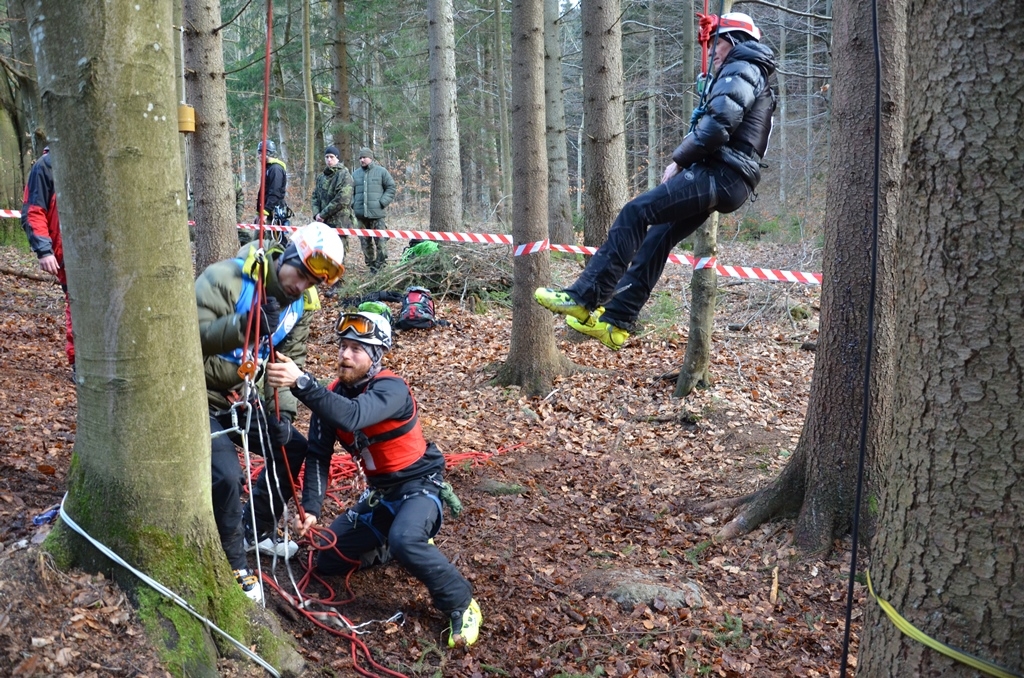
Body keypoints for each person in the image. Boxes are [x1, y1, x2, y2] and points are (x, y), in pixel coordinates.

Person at [535, 12, 776, 350]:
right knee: (657, 237)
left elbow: (720, 124)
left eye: (717, 44)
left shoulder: (742, 68)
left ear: (734, 40)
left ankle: (584, 297)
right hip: (730, 181)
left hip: (720, 174)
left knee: (636, 212)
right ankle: (616, 321)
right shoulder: (746, 72)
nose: (713, 52)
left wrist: (679, 160)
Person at [265, 311, 481, 647]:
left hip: (420, 487)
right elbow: (319, 457)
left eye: (356, 349)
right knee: (327, 558)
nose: (345, 355)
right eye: (343, 347)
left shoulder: (392, 389)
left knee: (406, 540)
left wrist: (302, 382)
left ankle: (461, 602)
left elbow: (353, 417)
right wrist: (310, 509)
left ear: (376, 356)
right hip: (382, 495)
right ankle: (395, 543)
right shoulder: (332, 395)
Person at [195, 222, 346, 602]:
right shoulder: (227, 279)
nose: (302, 286)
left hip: (242, 398)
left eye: (312, 282)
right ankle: (234, 564)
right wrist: (244, 325)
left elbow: (288, 361)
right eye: (301, 274)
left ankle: (255, 531)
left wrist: (284, 417)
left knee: (291, 448)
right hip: (199, 396)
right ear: (289, 256)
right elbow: (189, 338)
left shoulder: (300, 306)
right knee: (227, 475)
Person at [21, 146, 74, 368]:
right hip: (67, 254)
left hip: (101, 251)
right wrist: (44, 250)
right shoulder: (46, 165)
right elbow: (33, 211)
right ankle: (78, 363)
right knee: (77, 306)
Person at [352, 147, 396, 273]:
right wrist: (353, 204)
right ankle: (371, 267)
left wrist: (382, 202)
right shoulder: (355, 174)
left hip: (377, 214)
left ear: (371, 158)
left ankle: (381, 266)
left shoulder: (381, 172)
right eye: (360, 158)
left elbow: (391, 187)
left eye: (364, 157)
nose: (362, 160)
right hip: (360, 215)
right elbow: (350, 192)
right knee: (365, 243)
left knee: (381, 242)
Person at [311, 145, 354, 266]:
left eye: (331, 157)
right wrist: (316, 214)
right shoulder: (321, 177)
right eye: (326, 157)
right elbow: (314, 196)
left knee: (339, 251)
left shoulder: (344, 175)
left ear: (337, 158)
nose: (329, 160)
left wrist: (323, 214)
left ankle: (338, 280)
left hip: (339, 220)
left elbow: (343, 199)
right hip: (323, 222)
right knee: (325, 249)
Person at [256, 140, 289, 230]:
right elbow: (264, 191)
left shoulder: (275, 169)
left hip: (273, 212)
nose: (258, 156)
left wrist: (265, 212)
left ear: (266, 153)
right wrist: (259, 213)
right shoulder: (268, 168)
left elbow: (275, 192)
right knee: (259, 240)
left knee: (275, 241)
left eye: (259, 153)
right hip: (267, 211)